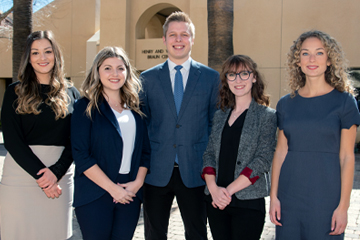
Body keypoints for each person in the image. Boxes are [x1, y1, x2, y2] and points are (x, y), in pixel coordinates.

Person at [270, 30, 360, 240]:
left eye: (319, 53)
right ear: (297, 61)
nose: (312, 59)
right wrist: (274, 197)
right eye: (305, 53)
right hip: (289, 198)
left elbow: (347, 157)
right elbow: (281, 152)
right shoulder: (285, 104)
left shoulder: (345, 102)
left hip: (326, 199)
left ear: (329, 60)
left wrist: (343, 207)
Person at [140, 11, 220, 240]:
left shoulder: (210, 77)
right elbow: (142, 126)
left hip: (195, 171)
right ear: (164, 40)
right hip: (156, 172)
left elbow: (215, 125)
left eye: (184, 35)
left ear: (192, 39)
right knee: (154, 234)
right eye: (172, 35)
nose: (178, 40)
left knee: (196, 233)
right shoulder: (147, 79)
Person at [0, 30, 79, 240]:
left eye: (47, 51)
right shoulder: (14, 92)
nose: (42, 58)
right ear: (28, 58)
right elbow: (12, 140)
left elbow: (76, 141)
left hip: (60, 177)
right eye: (35, 53)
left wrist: (55, 173)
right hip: (20, 176)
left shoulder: (72, 93)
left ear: (56, 55)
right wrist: (43, 176)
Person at [71, 46, 150, 240]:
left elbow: (145, 152)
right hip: (94, 192)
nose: (114, 74)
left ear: (127, 72)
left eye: (120, 68)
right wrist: (113, 189)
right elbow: (81, 155)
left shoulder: (137, 108)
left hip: (130, 192)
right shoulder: (85, 106)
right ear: (97, 71)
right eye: (107, 68)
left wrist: (137, 183)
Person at [202, 55, 277, 239]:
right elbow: (209, 154)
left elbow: (263, 160)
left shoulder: (267, 116)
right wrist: (213, 188)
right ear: (226, 81)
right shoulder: (220, 115)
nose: (238, 80)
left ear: (254, 77)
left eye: (244, 74)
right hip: (216, 201)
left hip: (248, 203)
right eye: (232, 75)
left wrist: (228, 191)